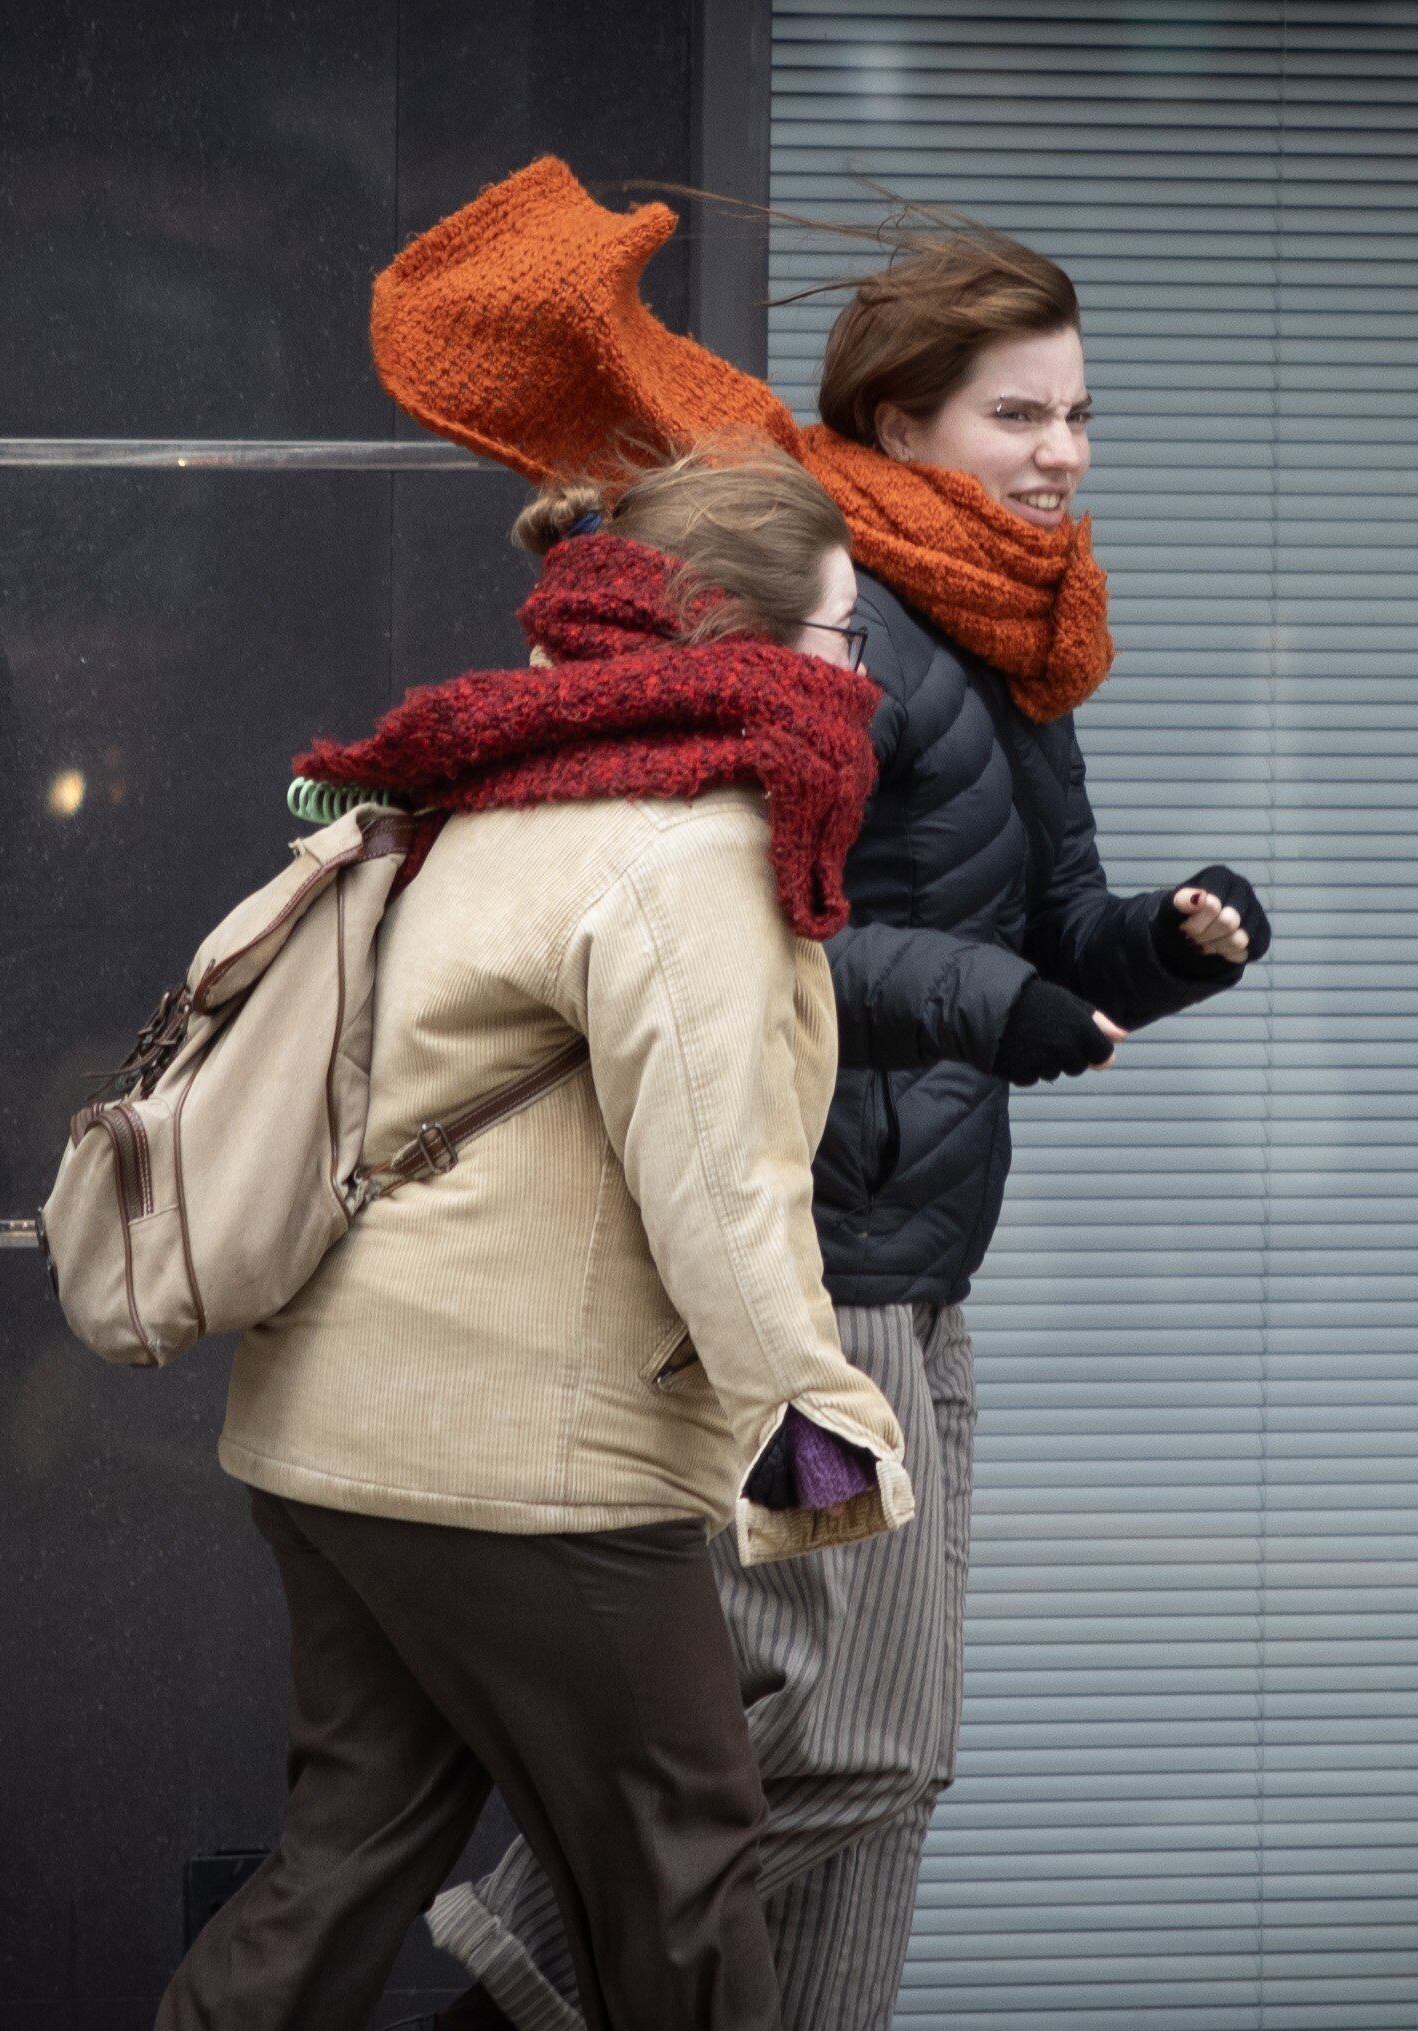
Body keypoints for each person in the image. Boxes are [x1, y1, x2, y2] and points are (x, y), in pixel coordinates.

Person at [373, 163, 1275, 2031]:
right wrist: (996, 1000)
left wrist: (1162, 948)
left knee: (899, 1776)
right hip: (802, 1279)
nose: (1060, 454)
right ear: (896, 423)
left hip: (918, 1280)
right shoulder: (823, 623)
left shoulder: (1017, 653)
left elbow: (1043, 942)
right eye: (1017, 415)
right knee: (832, 1740)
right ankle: (493, 1983)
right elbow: (742, 941)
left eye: (1079, 413)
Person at [156, 441, 916, 2031]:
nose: (866, 674)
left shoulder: (489, 792)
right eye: (849, 635)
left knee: (340, 1859)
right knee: (681, 1880)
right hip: (531, 1472)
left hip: (329, 1434)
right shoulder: (694, 841)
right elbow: (720, 1179)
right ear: (748, 638)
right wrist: (821, 1428)